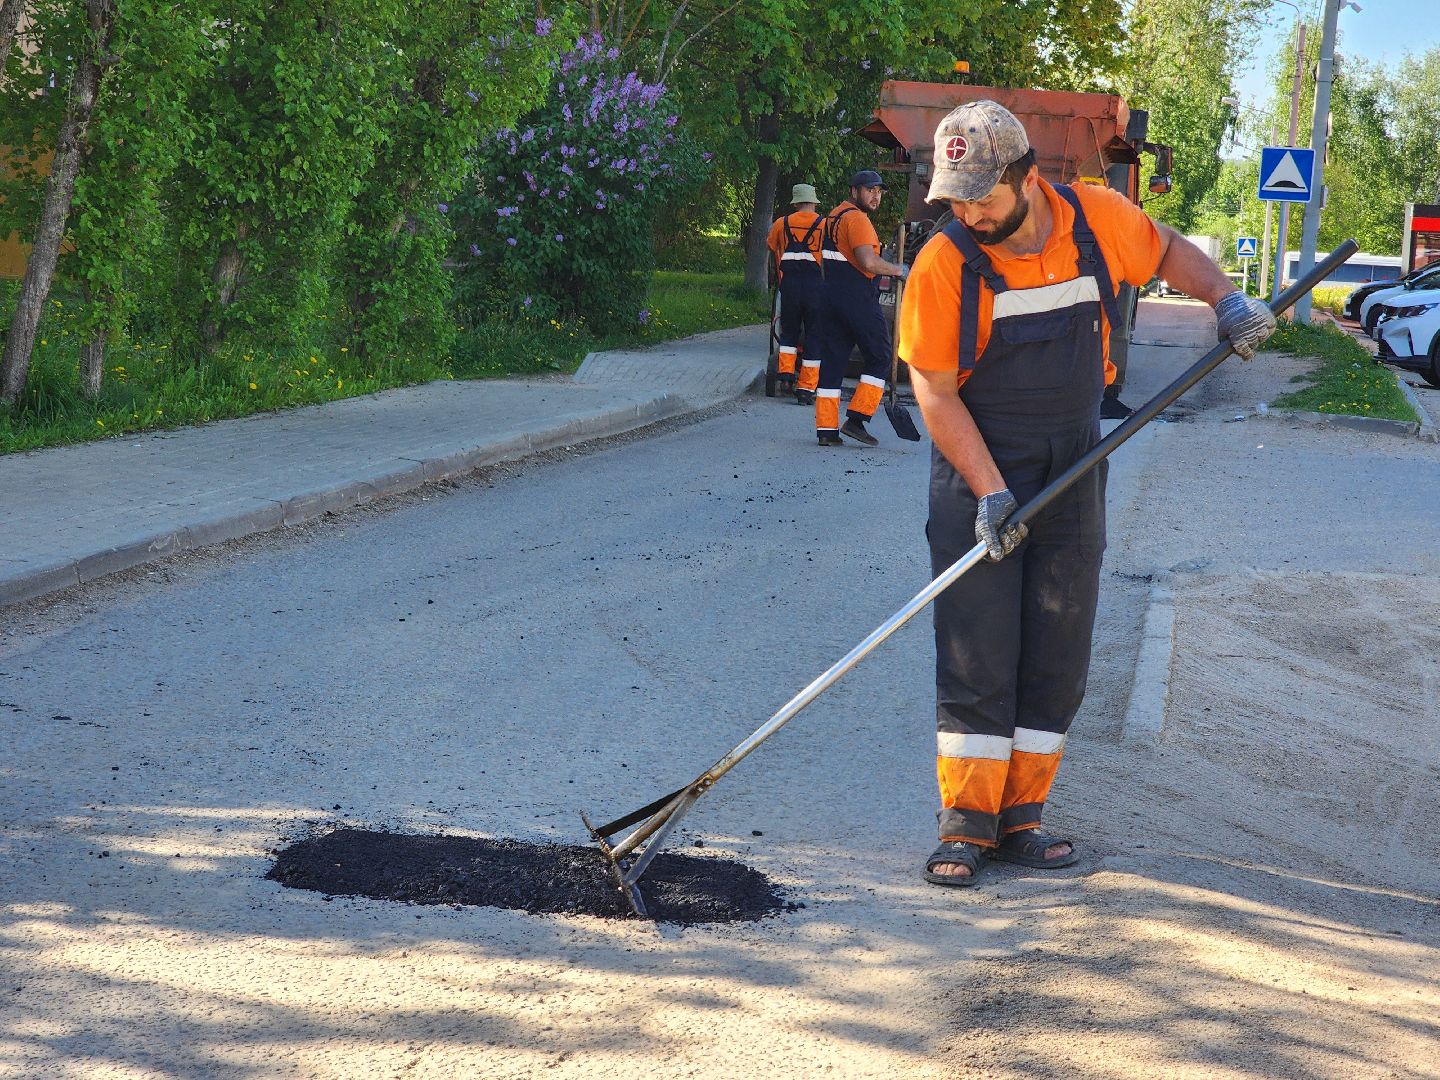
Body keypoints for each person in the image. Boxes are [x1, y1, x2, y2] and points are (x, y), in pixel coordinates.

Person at [898, 101, 1275, 886]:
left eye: (981, 197)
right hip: (980, 469)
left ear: (1026, 177)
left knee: (1058, 647)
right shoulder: (944, 263)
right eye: (956, 199)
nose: (968, 214)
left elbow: (1166, 249)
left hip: (1074, 462)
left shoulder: (1096, 222)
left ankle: (1022, 819)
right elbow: (933, 389)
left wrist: (1225, 299)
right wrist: (991, 492)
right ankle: (965, 825)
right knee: (978, 648)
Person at [809, 169, 909, 445]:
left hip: (830, 295)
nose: (876, 196)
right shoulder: (858, 219)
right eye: (869, 190)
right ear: (854, 191)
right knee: (881, 355)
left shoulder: (832, 217)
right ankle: (857, 419)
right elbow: (868, 262)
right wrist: (899, 270)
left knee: (833, 361)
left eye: (879, 191)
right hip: (857, 296)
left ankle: (826, 430)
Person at [765, 183, 826, 398]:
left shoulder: (782, 223)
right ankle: (807, 388)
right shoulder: (824, 225)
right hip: (815, 289)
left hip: (789, 286)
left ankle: (786, 376)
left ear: (796, 203)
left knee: (788, 332)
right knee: (814, 336)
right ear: (814, 202)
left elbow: (771, 246)